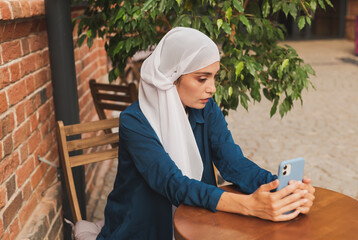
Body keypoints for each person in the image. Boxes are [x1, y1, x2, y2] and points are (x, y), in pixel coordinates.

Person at [97, 27, 315, 240]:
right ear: (172, 78)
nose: (212, 88)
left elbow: (234, 163)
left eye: (214, 77)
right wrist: (249, 206)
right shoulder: (134, 121)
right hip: (143, 227)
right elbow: (172, 184)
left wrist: (281, 187)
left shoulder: (206, 109)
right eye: (202, 79)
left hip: (196, 218)